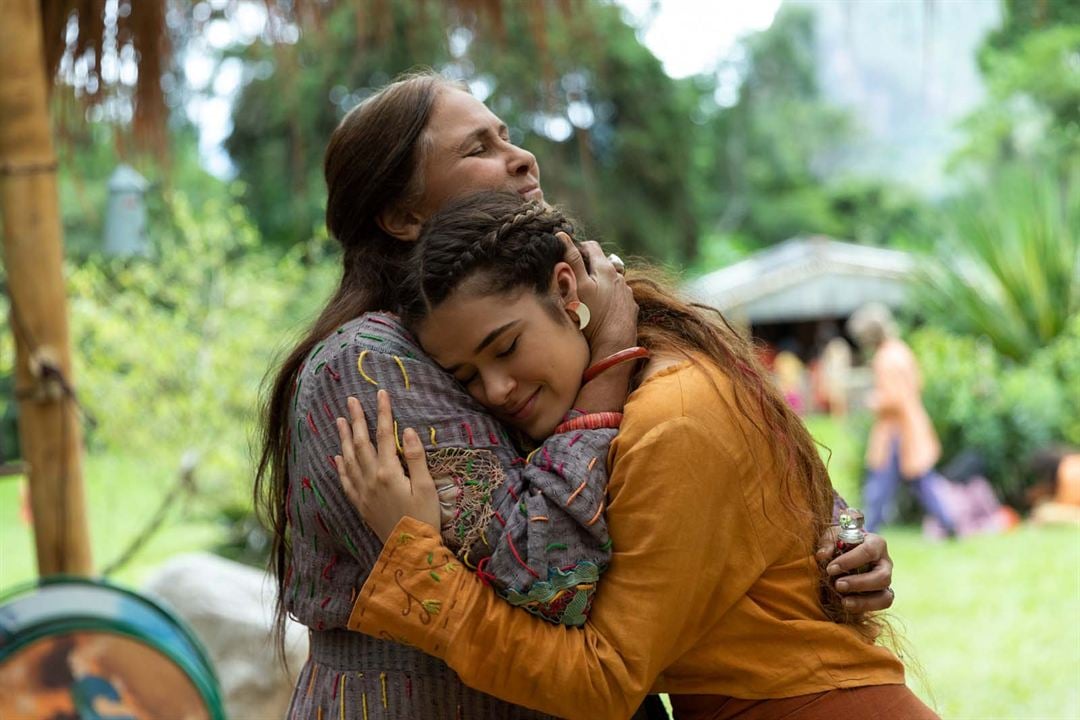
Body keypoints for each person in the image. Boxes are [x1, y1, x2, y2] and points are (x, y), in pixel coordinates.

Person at [255, 70, 897, 719]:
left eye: (506, 134)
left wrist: (836, 533)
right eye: (477, 148)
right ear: (400, 215)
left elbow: (714, 441)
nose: (522, 157)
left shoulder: (557, 318)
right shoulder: (369, 363)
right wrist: (607, 370)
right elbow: (551, 584)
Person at [333, 192, 936, 719]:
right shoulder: (649, 381)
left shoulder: (671, 413)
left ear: (567, 291)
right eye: (465, 376)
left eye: (507, 347)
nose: (496, 389)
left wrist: (416, 559)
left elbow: (603, 679)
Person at [846, 303, 955, 534]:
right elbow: (917, 384)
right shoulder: (901, 350)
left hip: (896, 432)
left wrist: (873, 401)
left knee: (879, 488)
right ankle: (949, 523)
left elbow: (894, 399)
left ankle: (866, 533)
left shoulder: (885, 359)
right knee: (921, 481)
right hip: (910, 425)